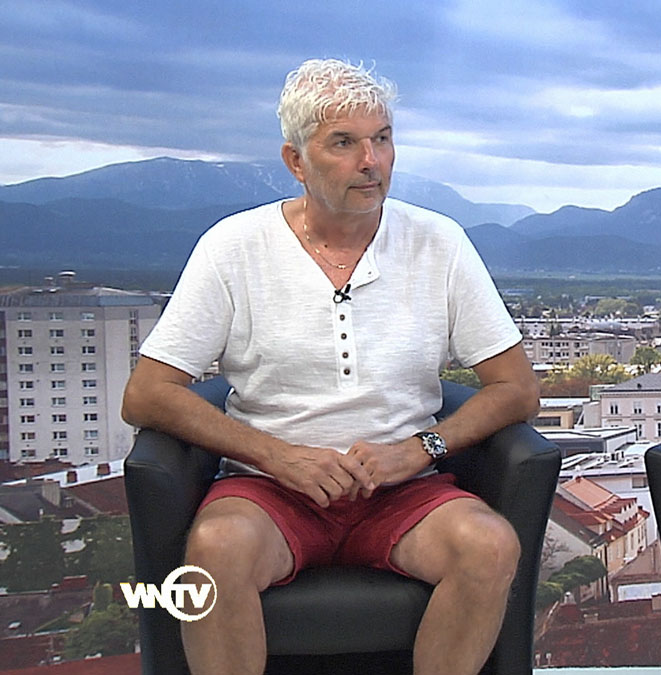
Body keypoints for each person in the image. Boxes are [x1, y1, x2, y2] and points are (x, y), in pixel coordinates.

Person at [121, 58, 540, 675]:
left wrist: (419, 449)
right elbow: (147, 394)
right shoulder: (233, 247)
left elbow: (518, 389)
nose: (371, 161)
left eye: (382, 139)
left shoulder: (440, 242)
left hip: (403, 489)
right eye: (344, 143)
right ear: (296, 161)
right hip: (270, 490)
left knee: (490, 544)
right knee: (215, 548)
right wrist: (279, 456)